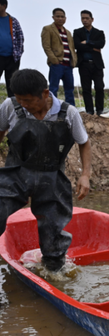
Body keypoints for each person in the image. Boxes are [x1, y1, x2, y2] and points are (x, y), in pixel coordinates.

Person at [0, 69, 91, 272]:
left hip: (51, 176)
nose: (24, 104)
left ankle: (54, 271)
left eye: (28, 100)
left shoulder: (68, 113)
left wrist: (85, 175)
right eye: (20, 99)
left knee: (53, 229)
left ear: (45, 93)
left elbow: (84, 143)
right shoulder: (10, 107)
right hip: (16, 173)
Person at [41, 8, 76, 105]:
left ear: (65, 18)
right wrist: (54, 60)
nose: (60, 18)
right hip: (57, 64)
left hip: (68, 65)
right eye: (58, 16)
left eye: (62, 16)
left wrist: (74, 61)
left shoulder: (68, 32)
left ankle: (71, 109)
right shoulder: (47, 29)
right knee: (53, 88)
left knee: (69, 89)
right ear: (53, 17)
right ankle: (51, 107)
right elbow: (46, 46)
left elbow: (72, 48)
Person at [73, 10, 105, 116]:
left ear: (92, 19)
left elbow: (101, 44)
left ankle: (100, 110)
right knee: (86, 88)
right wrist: (93, 47)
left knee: (99, 87)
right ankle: (89, 111)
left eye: (87, 18)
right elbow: (77, 45)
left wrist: (87, 42)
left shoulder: (99, 33)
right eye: (83, 18)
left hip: (97, 64)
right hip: (83, 64)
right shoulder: (77, 32)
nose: (85, 20)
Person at [0, 0, 24, 98]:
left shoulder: (13, 21)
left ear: (4, 6)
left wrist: (18, 54)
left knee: (12, 84)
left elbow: (20, 38)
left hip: (12, 58)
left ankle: (13, 107)